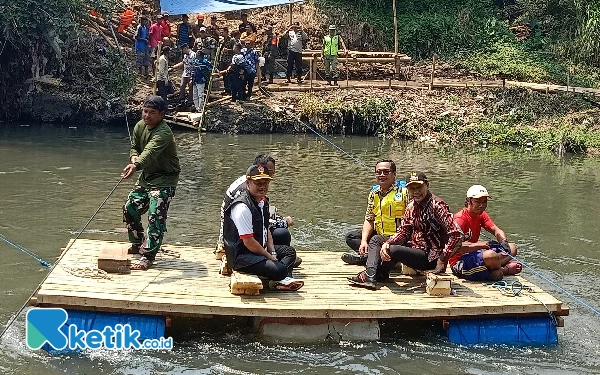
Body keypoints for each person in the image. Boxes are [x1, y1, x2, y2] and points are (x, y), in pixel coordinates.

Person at [348, 171, 463, 289]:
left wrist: (443, 259)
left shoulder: (437, 205)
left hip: (431, 257)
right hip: (415, 248)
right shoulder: (411, 206)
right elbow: (404, 232)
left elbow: (457, 234)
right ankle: (371, 274)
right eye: (412, 188)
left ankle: (377, 274)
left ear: (427, 185)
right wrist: (387, 243)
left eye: (419, 187)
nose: (416, 191)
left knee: (393, 250)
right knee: (377, 240)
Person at [122, 96, 180, 271]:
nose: (147, 116)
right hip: (147, 176)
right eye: (145, 111)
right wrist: (133, 156)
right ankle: (137, 242)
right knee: (130, 207)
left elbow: (149, 152)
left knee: (155, 215)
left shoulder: (163, 133)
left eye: (152, 113)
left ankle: (148, 255)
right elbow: (136, 147)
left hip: (165, 179)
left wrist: (136, 164)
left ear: (162, 115)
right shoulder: (140, 126)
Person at [223, 164, 303, 291]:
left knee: (289, 252)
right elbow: (248, 242)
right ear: (248, 183)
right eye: (258, 183)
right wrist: (269, 256)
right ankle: (281, 277)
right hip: (242, 255)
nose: (262, 187)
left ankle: (280, 279)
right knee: (281, 269)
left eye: (265, 183)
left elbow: (266, 230)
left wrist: (273, 252)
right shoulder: (242, 207)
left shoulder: (262, 201)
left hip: (257, 248)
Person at [217, 155, 295, 253]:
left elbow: (261, 216)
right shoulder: (246, 191)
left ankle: (276, 256)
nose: (271, 177)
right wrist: (284, 223)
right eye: (269, 172)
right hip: (235, 239)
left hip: (247, 229)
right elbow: (255, 220)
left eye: (272, 173)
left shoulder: (250, 182)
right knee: (282, 233)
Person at [342, 160, 409, 266]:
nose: (382, 175)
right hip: (379, 236)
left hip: (399, 238)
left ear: (394, 174)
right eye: (379, 172)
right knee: (351, 237)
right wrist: (364, 241)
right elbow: (369, 218)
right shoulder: (374, 193)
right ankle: (373, 257)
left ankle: (370, 259)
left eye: (386, 172)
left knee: (377, 241)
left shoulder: (405, 192)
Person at [449, 185, 521, 281]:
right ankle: (503, 269)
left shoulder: (481, 214)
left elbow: (496, 230)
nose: (481, 205)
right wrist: (483, 245)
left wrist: (503, 241)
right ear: (468, 200)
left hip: (475, 253)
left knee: (512, 247)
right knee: (493, 261)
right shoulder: (460, 219)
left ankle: (494, 264)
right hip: (460, 261)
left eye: (484, 202)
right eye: (477, 202)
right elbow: (455, 247)